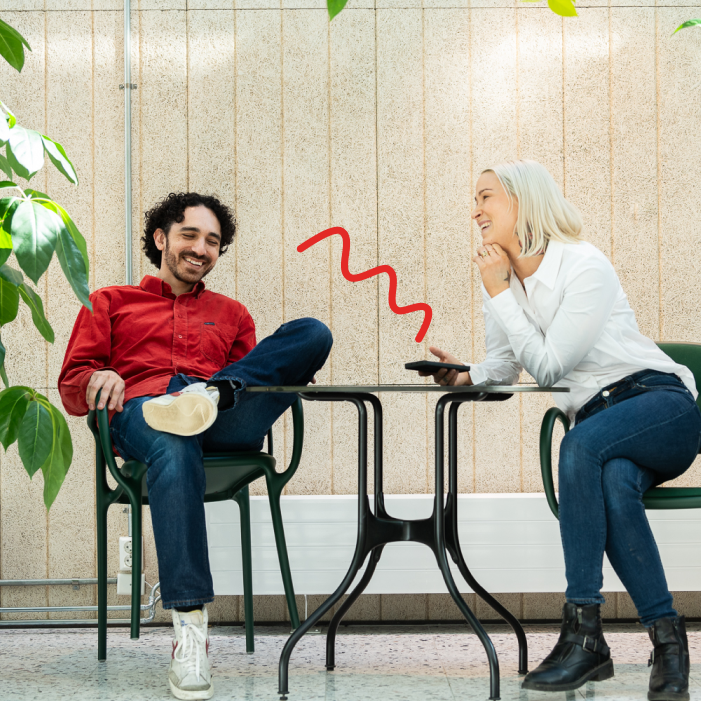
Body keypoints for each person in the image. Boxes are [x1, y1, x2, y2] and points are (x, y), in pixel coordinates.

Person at [420, 160, 701, 701]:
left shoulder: (583, 265)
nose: (475, 210)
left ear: (523, 203)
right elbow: (506, 370)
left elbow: (548, 367)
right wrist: (467, 375)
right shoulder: (499, 284)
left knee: (580, 445)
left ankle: (585, 633)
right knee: (615, 487)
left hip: (658, 406)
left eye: (486, 197)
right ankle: (668, 644)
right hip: (603, 434)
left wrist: (499, 291)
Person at [59, 192, 332, 701]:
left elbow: (260, 378)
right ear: (161, 238)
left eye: (213, 241)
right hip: (140, 418)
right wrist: (102, 375)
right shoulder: (110, 301)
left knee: (312, 333)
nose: (201, 248)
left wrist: (222, 389)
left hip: (220, 416)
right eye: (190, 235)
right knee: (172, 438)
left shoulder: (232, 314)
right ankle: (190, 626)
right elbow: (74, 385)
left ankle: (206, 395)